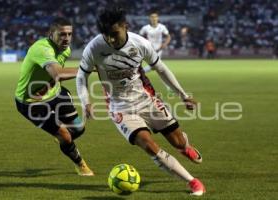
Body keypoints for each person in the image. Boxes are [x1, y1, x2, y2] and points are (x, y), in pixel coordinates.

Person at [76, 7, 206, 195]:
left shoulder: (140, 43)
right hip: (120, 107)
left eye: (114, 34)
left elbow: (161, 69)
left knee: (177, 142)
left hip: (147, 100)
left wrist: (183, 95)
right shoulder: (94, 47)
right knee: (149, 145)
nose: (110, 39)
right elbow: (81, 77)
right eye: (106, 35)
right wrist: (85, 102)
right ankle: (192, 181)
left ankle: (185, 147)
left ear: (125, 26)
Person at [15, 17, 94, 176]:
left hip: (55, 93)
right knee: (65, 136)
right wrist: (88, 68)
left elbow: (54, 76)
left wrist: (48, 86)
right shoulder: (42, 49)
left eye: (69, 34)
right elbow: (58, 73)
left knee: (79, 128)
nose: (66, 38)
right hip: (32, 102)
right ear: (51, 34)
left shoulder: (66, 49)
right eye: (62, 34)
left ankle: (63, 139)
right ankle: (81, 165)